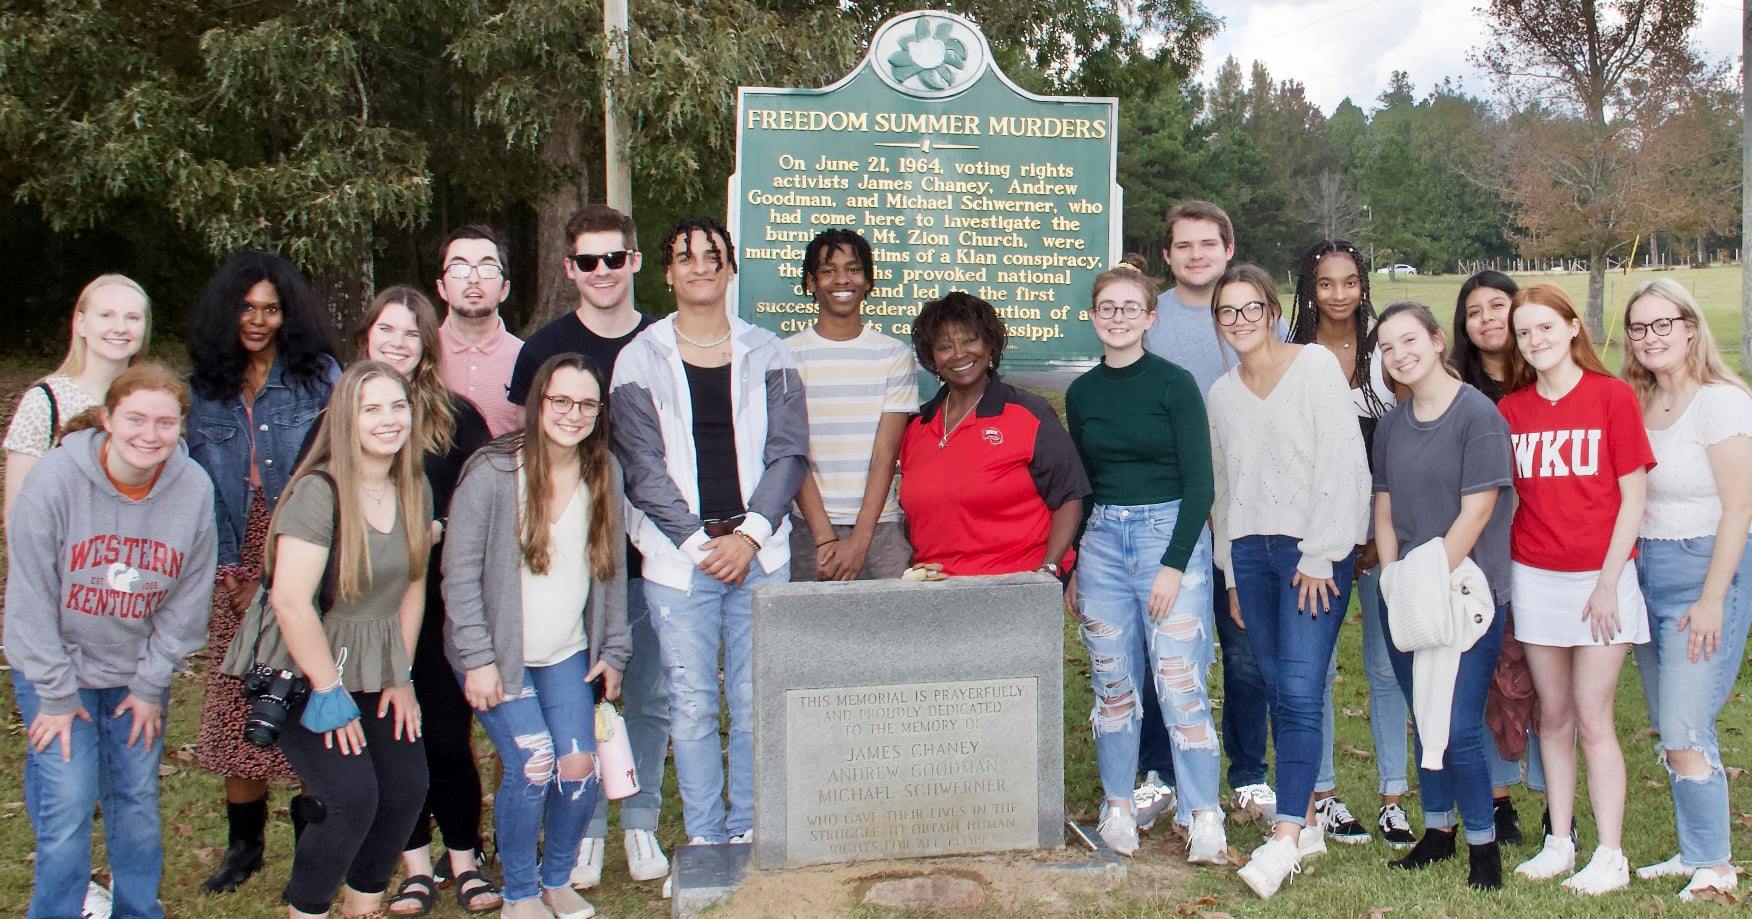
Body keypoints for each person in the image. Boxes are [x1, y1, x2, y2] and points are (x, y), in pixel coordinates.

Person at [610, 216, 808, 852]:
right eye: (685, 256)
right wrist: (700, 545)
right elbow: (640, 466)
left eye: (712, 255)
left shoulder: (769, 352)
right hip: (678, 563)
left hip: (761, 556)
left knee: (755, 700)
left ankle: (749, 825)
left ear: (730, 269)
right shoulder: (637, 359)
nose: (700, 266)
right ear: (666, 272)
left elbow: (788, 453)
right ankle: (704, 838)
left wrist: (747, 538)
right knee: (690, 705)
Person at [215, 360, 433, 919]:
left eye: (398, 406)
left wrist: (401, 677)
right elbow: (290, 600)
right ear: (345, 420)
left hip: (376, 659)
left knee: (407, 790)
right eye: (372, 409)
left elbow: (412, 587)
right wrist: (329, 693)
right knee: (350, 798)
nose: (389, 420)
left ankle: (363, 906)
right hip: (305, 664)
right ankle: (307, 908)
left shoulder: (414, 486)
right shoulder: (319, 491)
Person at [5, 364, 217, 919]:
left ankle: (137, 910)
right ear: (108, 418)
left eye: (165, 422)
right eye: (136, 419)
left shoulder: (192, 488)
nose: (150, 435)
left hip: (134, 673)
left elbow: (189, 600)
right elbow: (29, 598)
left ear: (180, 427)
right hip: (57, 668)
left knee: (137, 801)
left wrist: (150, 685)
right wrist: (54, 693)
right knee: (69, 805)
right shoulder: (54, 481)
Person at [508, 204, 672, 891]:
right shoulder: (542, 347)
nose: (602, 271)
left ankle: (639, 821)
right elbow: (527, 458)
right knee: (572, 705)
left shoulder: (664, 342)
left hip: (650, 556)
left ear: (634, 261)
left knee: (647, 694)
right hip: (562, 571)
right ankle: (581, 835)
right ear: (570, 267)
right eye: (587, 260)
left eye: (615, 257)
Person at [443, 353, 631, 919]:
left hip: (567, 652)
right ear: (538, 403)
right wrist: (477, 658)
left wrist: (614, 649)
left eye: (587, 404)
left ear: (599, 413)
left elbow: (613, 569)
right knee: (532, 760)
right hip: (497, 655)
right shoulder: (493, 472)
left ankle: (556, 878)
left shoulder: (605, 472)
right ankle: (519, 892)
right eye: (561, 401)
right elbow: (459, 571)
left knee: (578, 766)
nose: (573, 414)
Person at [1206, 264, 1369, 900]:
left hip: (1311, 555)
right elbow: (1224, 487)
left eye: (1252, 309)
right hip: (1250, 554)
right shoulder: (1220, 395)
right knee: (1278, 688)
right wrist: (1231, 576)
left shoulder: (1315, 369)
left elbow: (1344, 462)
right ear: (1217, 322)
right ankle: (1306, 824)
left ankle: (1284, 839)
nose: (1241, 322)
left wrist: (1323, 553)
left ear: (1273, 311)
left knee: (1301, 690)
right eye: (1228, 313)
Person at [338, 289, 500, 918]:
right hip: (364, 604)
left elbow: (487, 501)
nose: (399, 342)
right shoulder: (340, 415)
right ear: (367, 336)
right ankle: (411, 866)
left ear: (427, 345)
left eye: (412, 333)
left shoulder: (456, 417)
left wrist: (443, 528)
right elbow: (316, 501)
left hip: (438, 599)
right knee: (388, 734)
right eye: (387, 330)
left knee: (444, 732)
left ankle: (464, 856)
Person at [186, 250, 341, 894]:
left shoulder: (318, 377)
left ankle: (315, 841)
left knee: (306, 691)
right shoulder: (206, 387)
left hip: (306, 546)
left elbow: (338, 469)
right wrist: (232, 569)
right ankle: (243, 848)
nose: (257, 320)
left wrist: (290, 570)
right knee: (235, 705)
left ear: (289, 314)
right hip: (235, 555)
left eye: (271, 309)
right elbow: (200, 485)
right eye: (246, 308)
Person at [1499, 283, 1653, 894]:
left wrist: (1609, 582)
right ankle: (1559, 841)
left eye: (1544, 328)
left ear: (1571, 329)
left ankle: (1610, 853)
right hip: (1536, 579)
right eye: (1523, 332)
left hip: (1602, 581)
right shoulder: (1512, 411)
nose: (1534, 341)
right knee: (1552, 718)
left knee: (1594, 719)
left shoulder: (1611, 397)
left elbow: (1634, 497)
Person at [1064, 264, 1221, 862]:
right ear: (1094, 316)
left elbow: (1200, 483)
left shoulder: (1174, 385)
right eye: (1108, 307)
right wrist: (1077, 562)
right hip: (1104, 540)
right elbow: (1083, 485)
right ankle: (1119, 807)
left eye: (1131, 307)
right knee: (1113, 683)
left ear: (1150, 318)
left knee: (1179, 680)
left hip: (1168, 534)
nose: (1119, 317)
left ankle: (1202, 813)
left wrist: (1173, 565)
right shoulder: (1083, 394)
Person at [1142, 202, 1283, 832]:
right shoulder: (1149, 320)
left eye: (1208, 243)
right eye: (1184, 245)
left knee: (1246, 646)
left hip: (1248, 507)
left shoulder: (1249, 319)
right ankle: (1159, 771)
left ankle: (1248, 772)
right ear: (1167, 256)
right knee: (1166, 645)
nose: (1197, 254)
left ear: (1229, 249)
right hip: (1171, 505)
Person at [1370, 301, 1515, 890]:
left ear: (1436, 342)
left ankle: (1484, 843)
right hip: (1404, 590)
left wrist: (1425, 577)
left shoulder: (1477, 417)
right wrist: (1392, 579)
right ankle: (1438, 829)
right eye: (1386, 347)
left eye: (1409, 341)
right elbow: (1383, 508)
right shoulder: (1390, 425)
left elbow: (1477, 511)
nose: (1399, 354)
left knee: (1455, 722)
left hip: (1465, 592)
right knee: (1420, 715)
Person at [1618, 279, 1752, 901]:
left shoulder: (1721, 403)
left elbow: (1739, 509)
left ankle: (1718, 866)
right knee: (1673, 721)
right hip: (1647, 572)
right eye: (1639, 328)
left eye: (1663, 324)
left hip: (1704, 569)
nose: (1651, 338)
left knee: (1683, 727)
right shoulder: (1639, 403)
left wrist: (1711, 599)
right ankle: (1694, 850)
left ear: (1692, 327)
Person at [1287, 240, 1407, 847]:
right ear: (1308, 288)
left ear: (1364, 285)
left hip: (1383, 534)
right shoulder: (1293, 356)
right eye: (1325, 283)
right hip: (1320, 536)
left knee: (1387, 667)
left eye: (1350, 282)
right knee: (1321, 668)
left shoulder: (1387, 353)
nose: (1338, 294)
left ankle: (1393, 797)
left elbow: (1409, 439)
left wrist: (1379, 533)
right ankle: (1326, 794)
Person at [897, 291, 1089, 577]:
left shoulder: (1028, 413)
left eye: (970, 340)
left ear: (989, 345)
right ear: (932, 358)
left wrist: (1047, 569)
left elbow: (1070, 496)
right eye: (945, 347)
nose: (960, 354)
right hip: (936, 589)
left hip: (1015, 586)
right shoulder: (916, 426)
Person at [1453, 270, 1544, 846]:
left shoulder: (1550, 380)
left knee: (1544, 678)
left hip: (1546, 551)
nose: (1488, 318)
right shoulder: (1457, 393)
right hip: (1484, 557)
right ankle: (1499, 797)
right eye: (1474, 311)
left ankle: (1557, 795)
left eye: (1498, 305)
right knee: (1486, 676)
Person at [786, 229, 919, 580]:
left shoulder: (894, 355)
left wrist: (861, 540)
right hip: (807, 527)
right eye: (828, 270)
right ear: (811, 283)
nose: (842, 279)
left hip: (879, 526)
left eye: (853, 269)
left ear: (868, 281)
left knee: (886, 632)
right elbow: (792, 450)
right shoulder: (785, 355)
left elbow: (885, 455)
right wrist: (824, 537)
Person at [5, 274, 151, 523]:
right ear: (81, 323)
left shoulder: (155, 400)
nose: (120, 327)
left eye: (133, 317)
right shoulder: (45, 402)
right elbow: (19, 514)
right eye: (106, 315)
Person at [435, 224, 524, 437]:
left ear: (505, 289)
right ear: (441, 288)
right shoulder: (420, 353)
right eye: (459, 268)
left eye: (487, 269)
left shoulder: (527, 357)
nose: (473, 279)